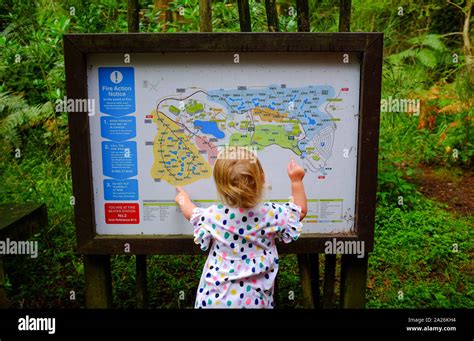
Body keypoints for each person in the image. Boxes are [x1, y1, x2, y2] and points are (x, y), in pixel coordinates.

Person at [175, 146, 307, 308]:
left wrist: (182, 199)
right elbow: (299, 212)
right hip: (254, 302)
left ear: (220, 187)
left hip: (215, 301)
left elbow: (191, 212)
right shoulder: (271, 214)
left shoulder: (214, 216)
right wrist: (296, 181)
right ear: (262, 178)